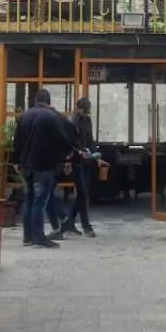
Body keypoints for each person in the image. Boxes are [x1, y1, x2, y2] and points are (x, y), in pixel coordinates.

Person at [11, 88, 76, 249]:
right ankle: (38, 237)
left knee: (30, 199)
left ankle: (27, 236)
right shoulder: (52, 117)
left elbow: (17, 141)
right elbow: (63, 139)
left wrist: (16, 161)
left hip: (27, 165)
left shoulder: (25, 116)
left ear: (35, 100)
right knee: (39, 201)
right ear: (49, 101)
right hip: (43, 165)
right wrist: (67, 157)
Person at [59, 96, 98, 239]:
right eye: (86, 110)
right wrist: (75, 154)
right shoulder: (71, 123)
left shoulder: (87, 121)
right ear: (80, 109)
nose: (87, 113)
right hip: (75, 161)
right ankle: (86, 225)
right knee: (82, 192)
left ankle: (69, 221)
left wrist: (94, 154)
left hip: (86, 160)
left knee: (84, 192)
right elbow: (69, 143)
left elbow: (90, 140)